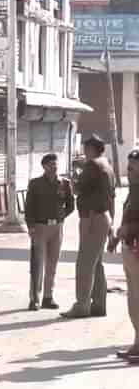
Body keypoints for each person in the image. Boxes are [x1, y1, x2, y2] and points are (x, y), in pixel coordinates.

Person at [61, 134, 115, 319]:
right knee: (96, 263)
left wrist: (73, 180)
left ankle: (82, 304)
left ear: (92, 148)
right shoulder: (107, 166)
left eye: (86, 147)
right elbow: (111, 197)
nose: (84, 150)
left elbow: (78, 189)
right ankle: (99, 304)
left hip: (92, 217)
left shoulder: (92, 165)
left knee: (85, 263)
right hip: (103, 217)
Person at [24, 153, 74, 311]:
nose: (54, 166)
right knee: (37, 264)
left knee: (52, 264)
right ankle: (34, 299)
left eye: (56, 164)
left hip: (56, 228)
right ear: (44, 166)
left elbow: (70, 205)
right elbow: (29, 207)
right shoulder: (35, 184)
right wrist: (31, 226)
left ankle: (48, 296)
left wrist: (60, 218)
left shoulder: (64, 183)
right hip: (40, 227)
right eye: (51, 164)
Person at [112, 149, 139, 360]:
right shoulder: (133, 190)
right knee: (133, 299)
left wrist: (128, 229)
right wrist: (118, 236)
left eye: (132, 166)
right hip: (130, 248)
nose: (128, 170)